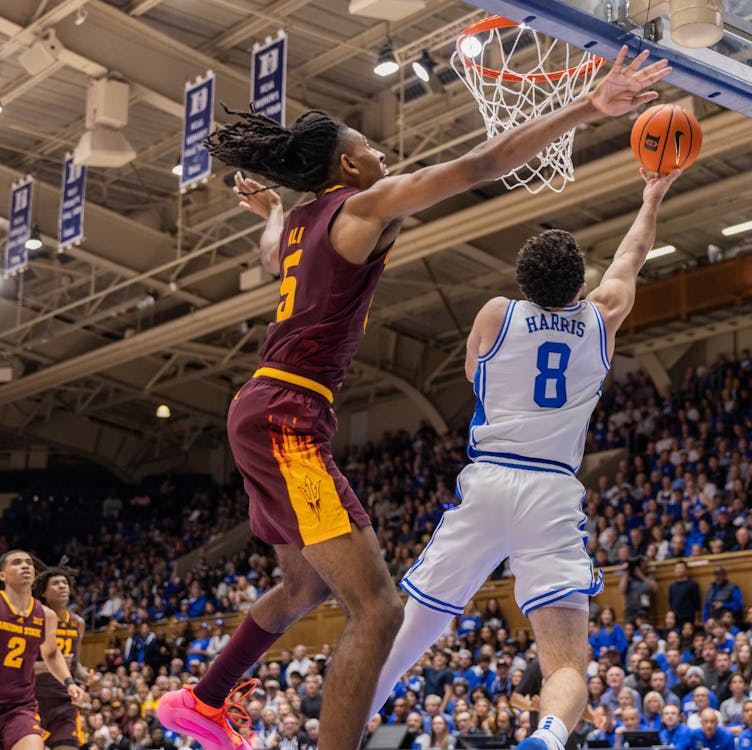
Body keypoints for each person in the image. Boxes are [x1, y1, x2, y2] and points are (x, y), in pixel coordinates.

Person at [157, 44, 671, 750]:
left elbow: (274, 255)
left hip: (278, 411)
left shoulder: (313, 227)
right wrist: (590, 107)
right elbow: (479, 166)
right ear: (347, 167)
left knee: (304, 588)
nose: (381, 153)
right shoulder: (362, 204)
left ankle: (206, 700)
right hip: (290, 418)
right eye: (369, 146)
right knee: (375, 608)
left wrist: (272, 211)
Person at [360, 136, 682, 750]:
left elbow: (471, 374)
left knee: (405, 639)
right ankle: (549, 737)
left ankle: (338, 736)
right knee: (564, 661)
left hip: (489, 480)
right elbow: (630, 258)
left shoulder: (495, 314)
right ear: (577, 282)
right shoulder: (600, 317)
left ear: (524, 281)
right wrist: (652, 194)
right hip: (552, 491)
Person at [0, 551, 88, 750]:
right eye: (16, 563)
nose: (25, 566)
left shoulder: (45, 616)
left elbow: (51, 653)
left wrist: (70, 682)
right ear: (2, 575)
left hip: (19, 706)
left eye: (29, 563)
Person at [33, 564, 93, 750]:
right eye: (56, 583)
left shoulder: (78, 623)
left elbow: (75, 665)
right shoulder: (33, 619)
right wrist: (48, 665)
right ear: (43, 592)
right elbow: (16, 665)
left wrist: (89, 678)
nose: (63, 586)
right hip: (33, 698)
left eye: (65, 583)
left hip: (63, 701)